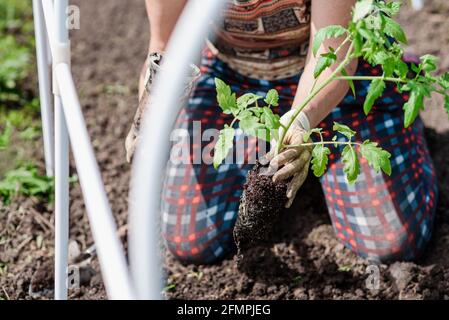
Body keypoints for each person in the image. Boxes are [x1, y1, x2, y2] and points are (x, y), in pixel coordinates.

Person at [125, 0, 437, 264]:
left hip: (335, 78)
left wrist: (300, 122)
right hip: (233, 77)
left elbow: (334, 57)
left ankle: (397, 110)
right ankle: (261, 138)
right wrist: (151, 114)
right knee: (190, 238)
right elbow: (166, 45)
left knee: (390, 243)